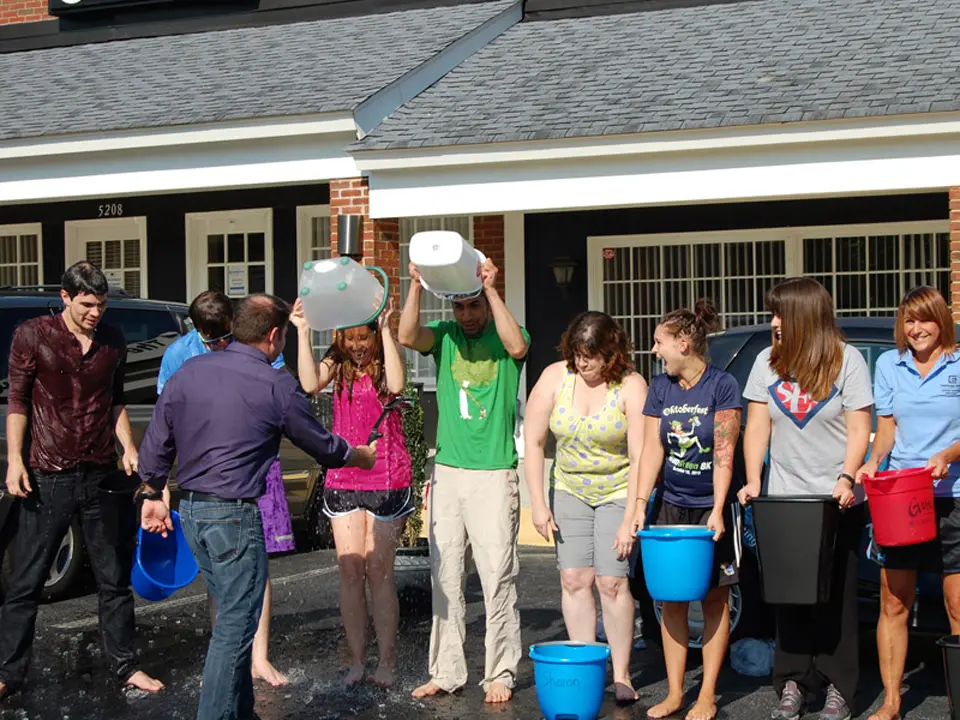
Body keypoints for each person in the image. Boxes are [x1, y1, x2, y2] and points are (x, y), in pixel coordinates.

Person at [138, 294, 377, 720]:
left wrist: (153, 494)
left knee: (237, 615)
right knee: (235, 623)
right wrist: (359, 456)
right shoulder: (273, 382)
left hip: (192, 512)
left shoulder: (190, 371)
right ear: (273, 336)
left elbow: (157, 437)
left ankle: (242, 713)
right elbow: (318, 443)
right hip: (233, 514)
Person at [0, 262, 163, 699]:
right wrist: (15, 460)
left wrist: (128, 446)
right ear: (66, 297)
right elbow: (17, 400)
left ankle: (125, 666)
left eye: (102, 305)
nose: (95, 313)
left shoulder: (112, 340)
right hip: (47, 474)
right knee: (26, 581)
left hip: (99, 475)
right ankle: (8, 673)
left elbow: (116, 401)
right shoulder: (32, 334)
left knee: (113, 578)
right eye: (88, 304)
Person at [738, 278, 873, 720]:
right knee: (790, 597)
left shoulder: (846, 360)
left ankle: (839, 687)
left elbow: (859, 428)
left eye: (780, 313)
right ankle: (794, 682)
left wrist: (847, 476)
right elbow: (757, 426)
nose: (773, 321)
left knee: (836, 597)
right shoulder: (766, 362)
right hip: (785, 501)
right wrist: (755, 480)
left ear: (803, 316)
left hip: (836, 501)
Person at [399, 258, 528, 704]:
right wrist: (416, 286)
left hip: (494, 473)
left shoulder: (507, 330)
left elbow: (516, 348)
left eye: (474, 307)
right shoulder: (446, 338)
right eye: (461, 308)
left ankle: (500, 672)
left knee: (497, 578)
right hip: (449, 471)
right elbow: (406, 336)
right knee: (446, 576)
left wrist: (491, 289)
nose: (467, 316)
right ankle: (446, 670)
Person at [157, 290, 292, 687]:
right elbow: (166, 422)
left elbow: (280, 387)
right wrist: (159, 483)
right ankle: (227, 657)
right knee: (221, 571)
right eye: (210, 341)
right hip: (209, 473)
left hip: (256, 464)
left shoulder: (252, 340)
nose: (218, 346)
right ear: (195, 330)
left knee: (257, 561)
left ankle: (259, 657)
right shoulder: (179, 354)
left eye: (224, 338)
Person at [523, 311, 648, 702]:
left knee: (612, 582)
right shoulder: (555, 377)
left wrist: (631, 516)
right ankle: (587, 666)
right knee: (574, 578)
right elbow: (533, 441)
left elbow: (642, 453)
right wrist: (539, 504)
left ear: (610, 352)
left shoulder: (631, 385)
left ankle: (623, 673)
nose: (583, 363)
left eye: (591, 356)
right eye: (577, 354)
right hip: (570, 489)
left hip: (618, 489)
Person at [633, 299, 742, 720]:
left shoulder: (722, 386)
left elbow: (724, 454)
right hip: (672, 508)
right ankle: (676, 693)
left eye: (659, 343)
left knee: (715, 599)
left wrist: (717, 509)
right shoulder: (660, 388)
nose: (655, 351)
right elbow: (651, 452)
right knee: (671, 599)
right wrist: (641, 504)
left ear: (683, 343)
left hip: (710, 508)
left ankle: (708, 695)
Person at [292, 300, 411, 688]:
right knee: (349, 569)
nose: (358, 345)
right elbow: (309, 384)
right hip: (344, 477)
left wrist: (387, 331)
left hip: (386, 477)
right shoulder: (337, 364)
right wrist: (303, 331)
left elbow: (396, 385)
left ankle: (387, 661)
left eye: (364, 337)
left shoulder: (385, 360)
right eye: (351, 338)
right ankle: (358, 660)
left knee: (378, 571)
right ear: (340, 338)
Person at [855, 286, 960, 720]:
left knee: (956, 605)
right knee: (894, 602)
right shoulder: (889, 365)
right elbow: (887, 430)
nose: (916, 329)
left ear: (942, 321)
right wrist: (872, 463)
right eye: (909, 321)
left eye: (925, 319)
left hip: (952, 497)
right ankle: (893, 702)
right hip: (902, 498)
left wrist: (948, 456)